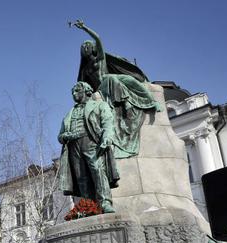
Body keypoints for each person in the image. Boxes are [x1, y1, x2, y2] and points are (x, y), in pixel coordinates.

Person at [73, 20, 161, 159]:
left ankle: (151, 101)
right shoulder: (86, 69)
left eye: (87, 45)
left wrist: (84, 27)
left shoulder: (100, 59)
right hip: (103, 86)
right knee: (112, 79)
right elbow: (84, 86)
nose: (85, 47)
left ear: (93, 48)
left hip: (112, 79)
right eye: (83, 46)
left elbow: (98, 38)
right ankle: (126, 102)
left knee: (131, 80)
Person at [58, 81, 119, 213]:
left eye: (77, 91)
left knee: (98, 172)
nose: (74, 94)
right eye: (72, 92)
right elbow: (60, 136)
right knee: (81, 177)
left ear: (87, 91)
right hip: (74, 145)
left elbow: (108, 123)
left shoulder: (100, 105)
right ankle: (89, 206)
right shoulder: (69, 113)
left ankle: (105, 202)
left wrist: (106, 138)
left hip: (91, 142)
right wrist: (65, 136)